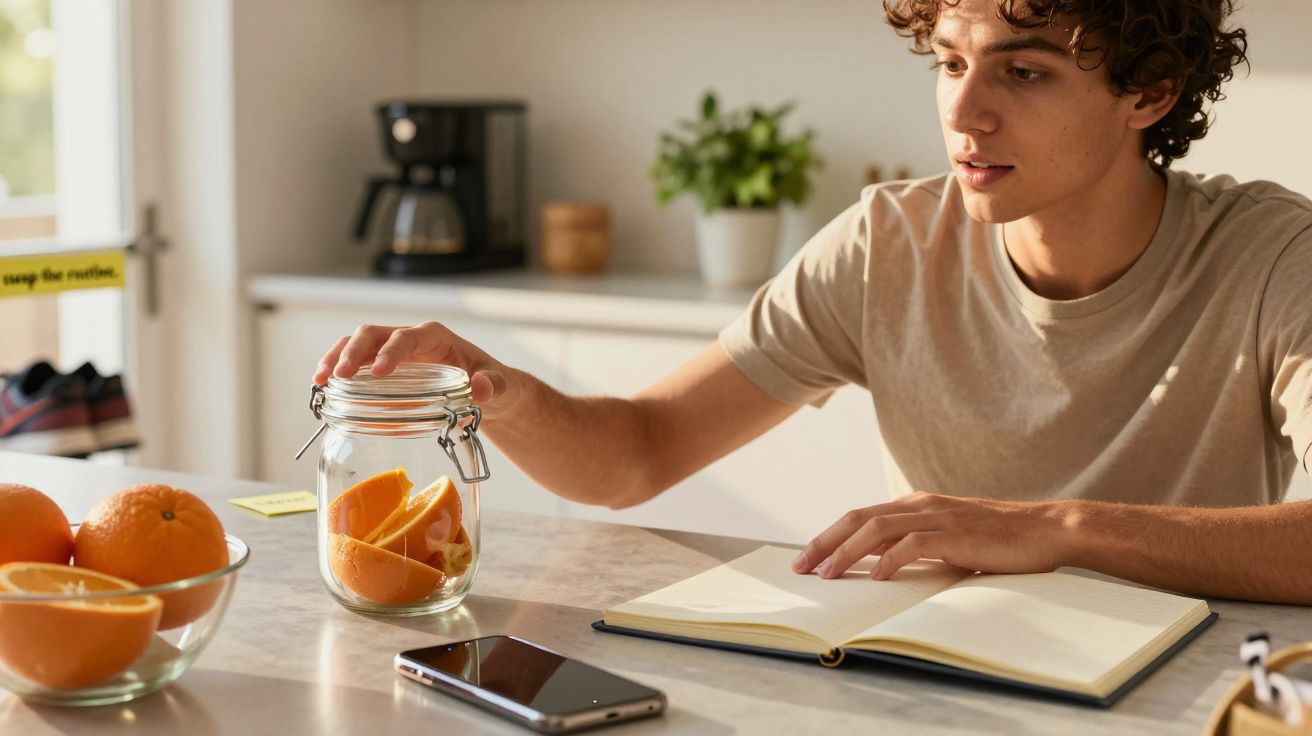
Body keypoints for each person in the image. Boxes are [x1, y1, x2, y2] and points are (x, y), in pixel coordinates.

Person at [316, 0, 1312, 604]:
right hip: (942, 683)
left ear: (1149, 94)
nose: (964, 113)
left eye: (1024, 70)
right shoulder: (889, 243)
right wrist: (501, 390)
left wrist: (1056, 529)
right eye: (950, 63)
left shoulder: (1275, 258)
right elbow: (636, 453)